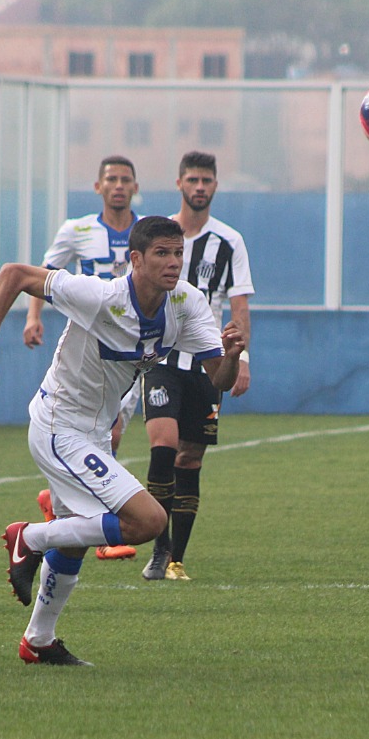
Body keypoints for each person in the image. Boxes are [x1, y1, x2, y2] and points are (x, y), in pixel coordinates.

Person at [0, 216, 245, 666]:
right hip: (59, 428)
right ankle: (29, 537)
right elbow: (14, 274)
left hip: (92, 433)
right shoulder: (101, 295)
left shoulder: (185, 302)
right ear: (135, 260)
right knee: (148, 520)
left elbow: (219, 380)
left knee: (75, 540)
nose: (173, 264)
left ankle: (38, 641)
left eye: (178, 254)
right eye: (162, 255)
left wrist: (230, 356)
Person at [140, 151, 254, 582]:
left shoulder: (229, 242)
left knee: (190, 459)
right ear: (179, 183)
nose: (200, 187)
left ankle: (175, 560)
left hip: (207, 363)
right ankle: (158, 546)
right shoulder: (159, 235)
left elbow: (239, 304)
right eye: (193, 179)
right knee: (163, 445)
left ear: (215, 186)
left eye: (207, 180)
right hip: (161, 357)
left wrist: (240, 357)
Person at [22, 154, 142, 560]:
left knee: (108, 429)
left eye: (126, 179)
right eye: (111, 179)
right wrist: (34, 318)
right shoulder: (77, 230)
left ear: (135, 187)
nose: (119, 185)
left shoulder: (146, 234)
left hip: (129, 352)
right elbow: (43, 273)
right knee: (106, 432)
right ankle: (99, 517)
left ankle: (67, 507)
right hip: (87, 351)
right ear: (98, 187)